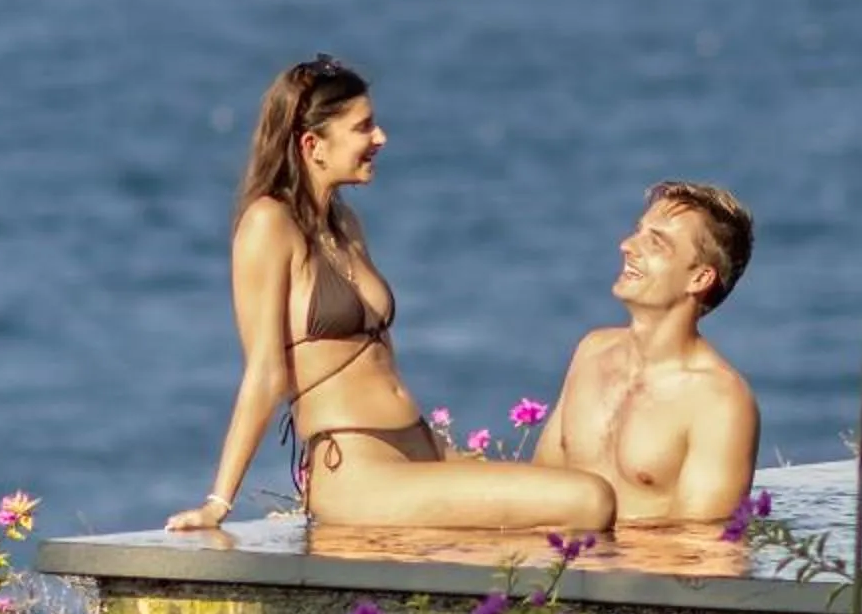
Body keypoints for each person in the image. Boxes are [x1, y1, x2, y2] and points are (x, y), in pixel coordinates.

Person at [168, 56, 617, 534]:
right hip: (358, 472)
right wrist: (218, 502)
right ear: (312, 145)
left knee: (594, 493)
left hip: (418, 450)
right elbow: (265, 373)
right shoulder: (268, 225)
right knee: (589, 501)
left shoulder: (345, 224)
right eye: (364, 127)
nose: (380, 139)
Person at [533, 181, 761, 525]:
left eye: (656, 243)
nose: (626, 246)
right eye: (638, 232)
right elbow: (540, 488)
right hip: (563, 573)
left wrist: (601, 564)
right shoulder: (591, 352)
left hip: (637, 576)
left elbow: (705, 553)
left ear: (699, 278)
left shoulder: (720, 401)